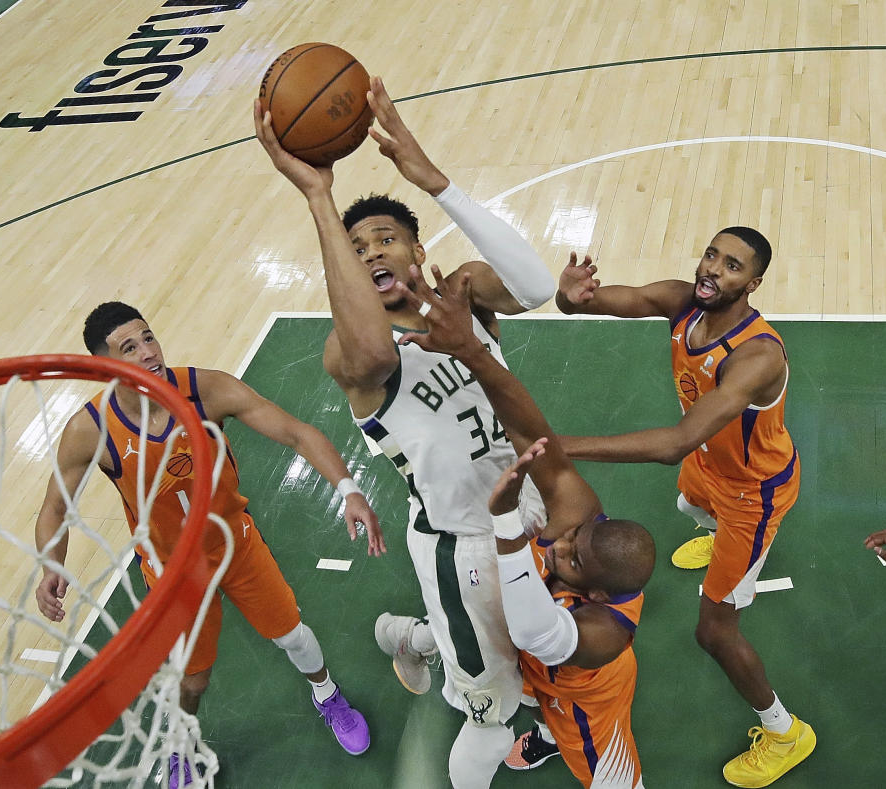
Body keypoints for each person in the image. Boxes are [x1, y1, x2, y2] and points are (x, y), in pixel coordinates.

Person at [254, 76, 556, 788]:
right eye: (357, 250)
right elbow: (373, 352)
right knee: (489, 716)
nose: (372, 252)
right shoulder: (352, 357)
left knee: (544, 648)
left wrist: (433, 180)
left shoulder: (464, 298)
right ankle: (429, 643)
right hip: (462, 546)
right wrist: (320, 199)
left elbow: (537, 285)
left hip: (535, 507)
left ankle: (407, 635)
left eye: (386, 238)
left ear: (418, 248)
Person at [34, 302, 381, 787]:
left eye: (148, 337)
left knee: (292, 635)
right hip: (173, 571)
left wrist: (348, 489)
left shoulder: (205, 390)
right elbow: (54, 508)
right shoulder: (90, 430)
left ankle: (327, 695)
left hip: (235, 545)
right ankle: (183, 743)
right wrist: (52, 564)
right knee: (193, 679)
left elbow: (296, 433)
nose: (148, 352)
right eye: (128, 348)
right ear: (106, 366)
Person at [554, 231, 816, 788]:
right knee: (685, 501)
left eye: (732, 266)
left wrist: (564, 445)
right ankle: (719, 535)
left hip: (754, 493)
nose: (714, 270)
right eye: (712, 256)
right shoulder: (683, 302)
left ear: (753, 283)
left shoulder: (756, 356)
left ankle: (785, 732)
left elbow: (675, 441)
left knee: (715, 633)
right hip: (710, 467)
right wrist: (570, 295)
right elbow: (593, 302)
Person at [395, 264, 655, 788]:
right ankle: (422, 637)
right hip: (540, 664)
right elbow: (530, 432)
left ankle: (553, 735)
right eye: (575, 538)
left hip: (584, 702)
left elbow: (534, 630)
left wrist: (507, 522)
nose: (561, 547)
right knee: (515, 670)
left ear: (600, 593)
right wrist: (472, 350)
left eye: (574, 559)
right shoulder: (578, 523)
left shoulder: (604, 637)